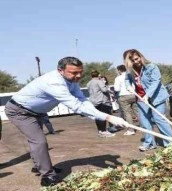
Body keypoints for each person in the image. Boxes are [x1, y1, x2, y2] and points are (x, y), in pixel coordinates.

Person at [4, 57, 129, 186]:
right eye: (74, 73)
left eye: (80, 72)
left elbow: (82, 100)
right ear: (60, 70)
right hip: (20, 111)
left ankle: (40, 166)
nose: (78, 76)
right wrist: (108, 117)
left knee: (37, 142)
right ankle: (47, 176)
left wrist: (102, 115)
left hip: (37, 112)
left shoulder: (72, 81)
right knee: (39, 141)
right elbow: (75, 105)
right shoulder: (54, 82)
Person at [124, 49, 172, 151]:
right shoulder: (130, 71)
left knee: (159, 119)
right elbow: (127, 80)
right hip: (140, 98)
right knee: (145, 122)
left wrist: (148, 95)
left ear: (140, 56)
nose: (136, 62)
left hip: (156, 97)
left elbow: (156, 81)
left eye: (136, 59)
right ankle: (150, 143)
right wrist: (128, 86)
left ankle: (170, 143)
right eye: (132, 61)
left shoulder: (151, 67)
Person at [87, 71, 116, 138]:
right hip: (101, 101)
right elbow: (104, 90)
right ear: (99, 75)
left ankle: (100, 131)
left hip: (93, 101)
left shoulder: (88, 83)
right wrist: (106, 86)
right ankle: (104, 131)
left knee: (97, 117)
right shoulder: (99, 81)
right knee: (103, 116)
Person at [114, 64, 138, 135]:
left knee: (127, 113)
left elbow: (117, 89)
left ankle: (131, 130)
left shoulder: (118, 78)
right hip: (133, 95)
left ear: (119, 70)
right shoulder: (131, 76)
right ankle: (144, 126)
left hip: (124, 96)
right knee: (137, 111)